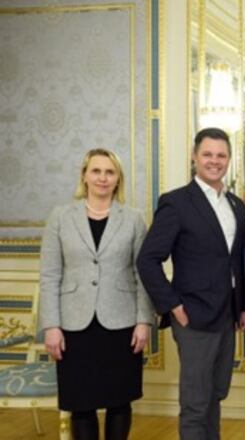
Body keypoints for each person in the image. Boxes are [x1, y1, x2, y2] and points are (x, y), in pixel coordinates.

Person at [136, 127, 245, 440]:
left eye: (221, 155)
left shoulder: (237, 206)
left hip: (228, 316)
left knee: (215, 395)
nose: (214, 161)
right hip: (194, 317)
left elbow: (238, 261)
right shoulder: (176, 203)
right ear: (194, 156)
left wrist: (244, 306)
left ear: (229, 159)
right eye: (208, 154)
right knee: (195, 403)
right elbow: (147, 260)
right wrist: (173, 305)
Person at [38, 148, 155, 440]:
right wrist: (51, 326)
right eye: (96, 171)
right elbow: (50, 275)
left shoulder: (133, 218)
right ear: (85, 176)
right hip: (73, 324)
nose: (103, 178)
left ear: (118, 179)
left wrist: (144, 321)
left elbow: (143, 273)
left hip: (121, 322)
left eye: (110, 172)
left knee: (119, 400)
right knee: (80, 402)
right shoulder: (60, 217)